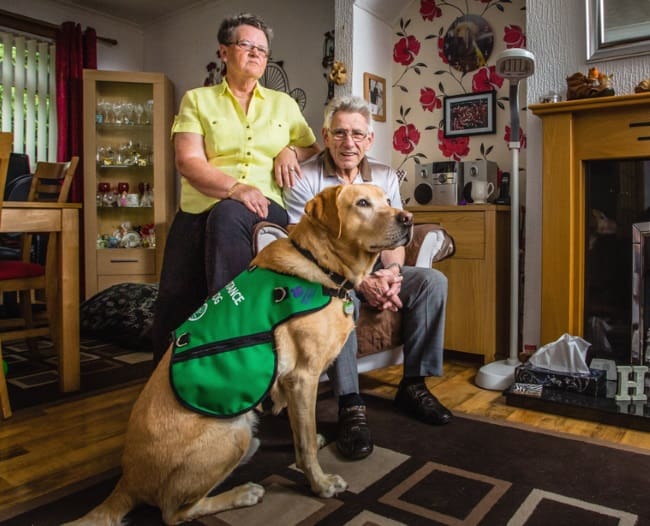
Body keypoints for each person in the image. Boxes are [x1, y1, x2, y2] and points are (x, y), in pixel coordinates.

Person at [283, 95, 452, 461]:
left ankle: (413, 385)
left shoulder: (385, 175)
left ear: (369, 139)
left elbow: (392, 235)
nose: (349, 143)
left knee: (431, 282)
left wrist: (390, 275)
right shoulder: (305, 176)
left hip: (373, 268)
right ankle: (350, 405)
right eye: (340, 133)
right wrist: (360, 284)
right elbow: (303, 243)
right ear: (325, 136)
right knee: (339, 300)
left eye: (358, 134)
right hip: (327, 275)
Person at [152, 13, 320, 363]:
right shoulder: (197, 100)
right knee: (173, 297)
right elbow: (188, 161)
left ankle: (231, 341)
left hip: (262, 210)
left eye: (263, 49)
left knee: (229, 213)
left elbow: (312, 150)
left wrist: (290, 150)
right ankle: (166, 376)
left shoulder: (284, 105)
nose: (257, 53)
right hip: (201, 207)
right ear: (224, 52)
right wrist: (235, 187)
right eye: (247, 45)